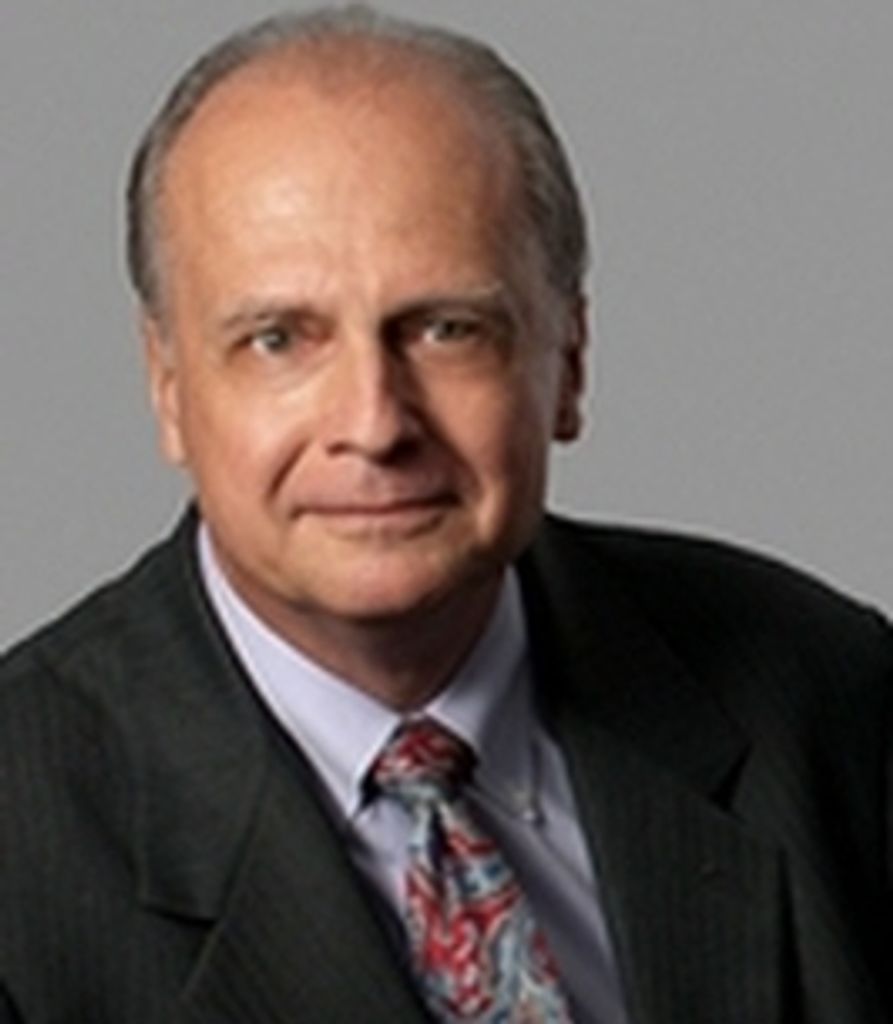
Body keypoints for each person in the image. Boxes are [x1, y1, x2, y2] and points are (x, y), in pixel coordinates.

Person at [0, 7, 889, 1023]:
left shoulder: (827, 696)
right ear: (167, 385)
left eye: (445, 329)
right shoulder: (20, 850)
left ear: (568, 361)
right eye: (279, 339)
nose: (373, 423)